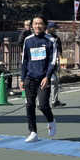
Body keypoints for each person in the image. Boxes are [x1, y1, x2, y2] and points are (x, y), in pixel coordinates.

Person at [20, 14, 58, 142]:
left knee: (42, 105)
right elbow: (24, 60)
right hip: (30, 78)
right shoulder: (28, 40)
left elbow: (53, 61)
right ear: (32, 26)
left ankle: (51, 120)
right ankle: (33, 132)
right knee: (29, 105)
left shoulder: (51, 40)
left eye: (40, 23)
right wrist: (22, 78)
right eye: (35, 23)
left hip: (44, 78)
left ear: (44, 26)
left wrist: (47, 77)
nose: (37, 26)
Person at [46, 23, 65, 105]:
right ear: (49, 28)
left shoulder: (56, 38)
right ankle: (41, 102)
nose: (55, 30)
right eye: (54, 28)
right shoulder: (44, 37)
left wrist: (61, 59)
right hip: (44, 63)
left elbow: (60, 49)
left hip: (54, 62)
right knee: (49, 81)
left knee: (55, 81)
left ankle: (55, 100)